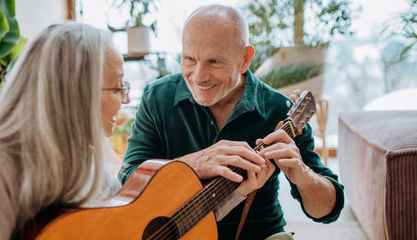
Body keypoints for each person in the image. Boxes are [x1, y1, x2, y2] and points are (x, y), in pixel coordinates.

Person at [118, 4, 345, 240]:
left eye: (214, 62)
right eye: (189, 59)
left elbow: (327, 211)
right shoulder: (157, 97)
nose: (198, 76)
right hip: (176, 232)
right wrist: (193, 164)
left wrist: (303, 174)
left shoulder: (280, 111)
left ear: (245, 58)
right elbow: (127, 181)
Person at [0, 22, 130, 239]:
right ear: (75, 93)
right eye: (118, 86)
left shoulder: (83, 157)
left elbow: (125, 222)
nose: (126, 99)